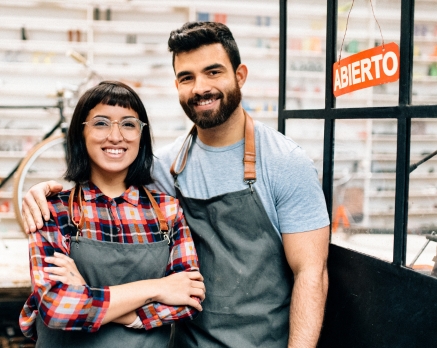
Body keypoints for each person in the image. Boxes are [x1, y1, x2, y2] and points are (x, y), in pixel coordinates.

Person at [21, 22, 330, 348]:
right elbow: (105, 179)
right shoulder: (163, 170)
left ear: (240, 76)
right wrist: (47, 190)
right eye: (187, 77)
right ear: (177, 86)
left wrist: (91, 300)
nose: (200, 88)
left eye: (213, 72)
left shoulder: (285, 162)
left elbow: (311, 274)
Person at [19, 81, 205, 348]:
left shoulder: (167, 210)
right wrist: (158, 289)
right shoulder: (53, 210)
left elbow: (189, 299)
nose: (116, 136)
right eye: (101, 123)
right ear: (80, 133)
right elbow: (57, 308)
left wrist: (86, 295)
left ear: (142, 136)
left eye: (129, 124)